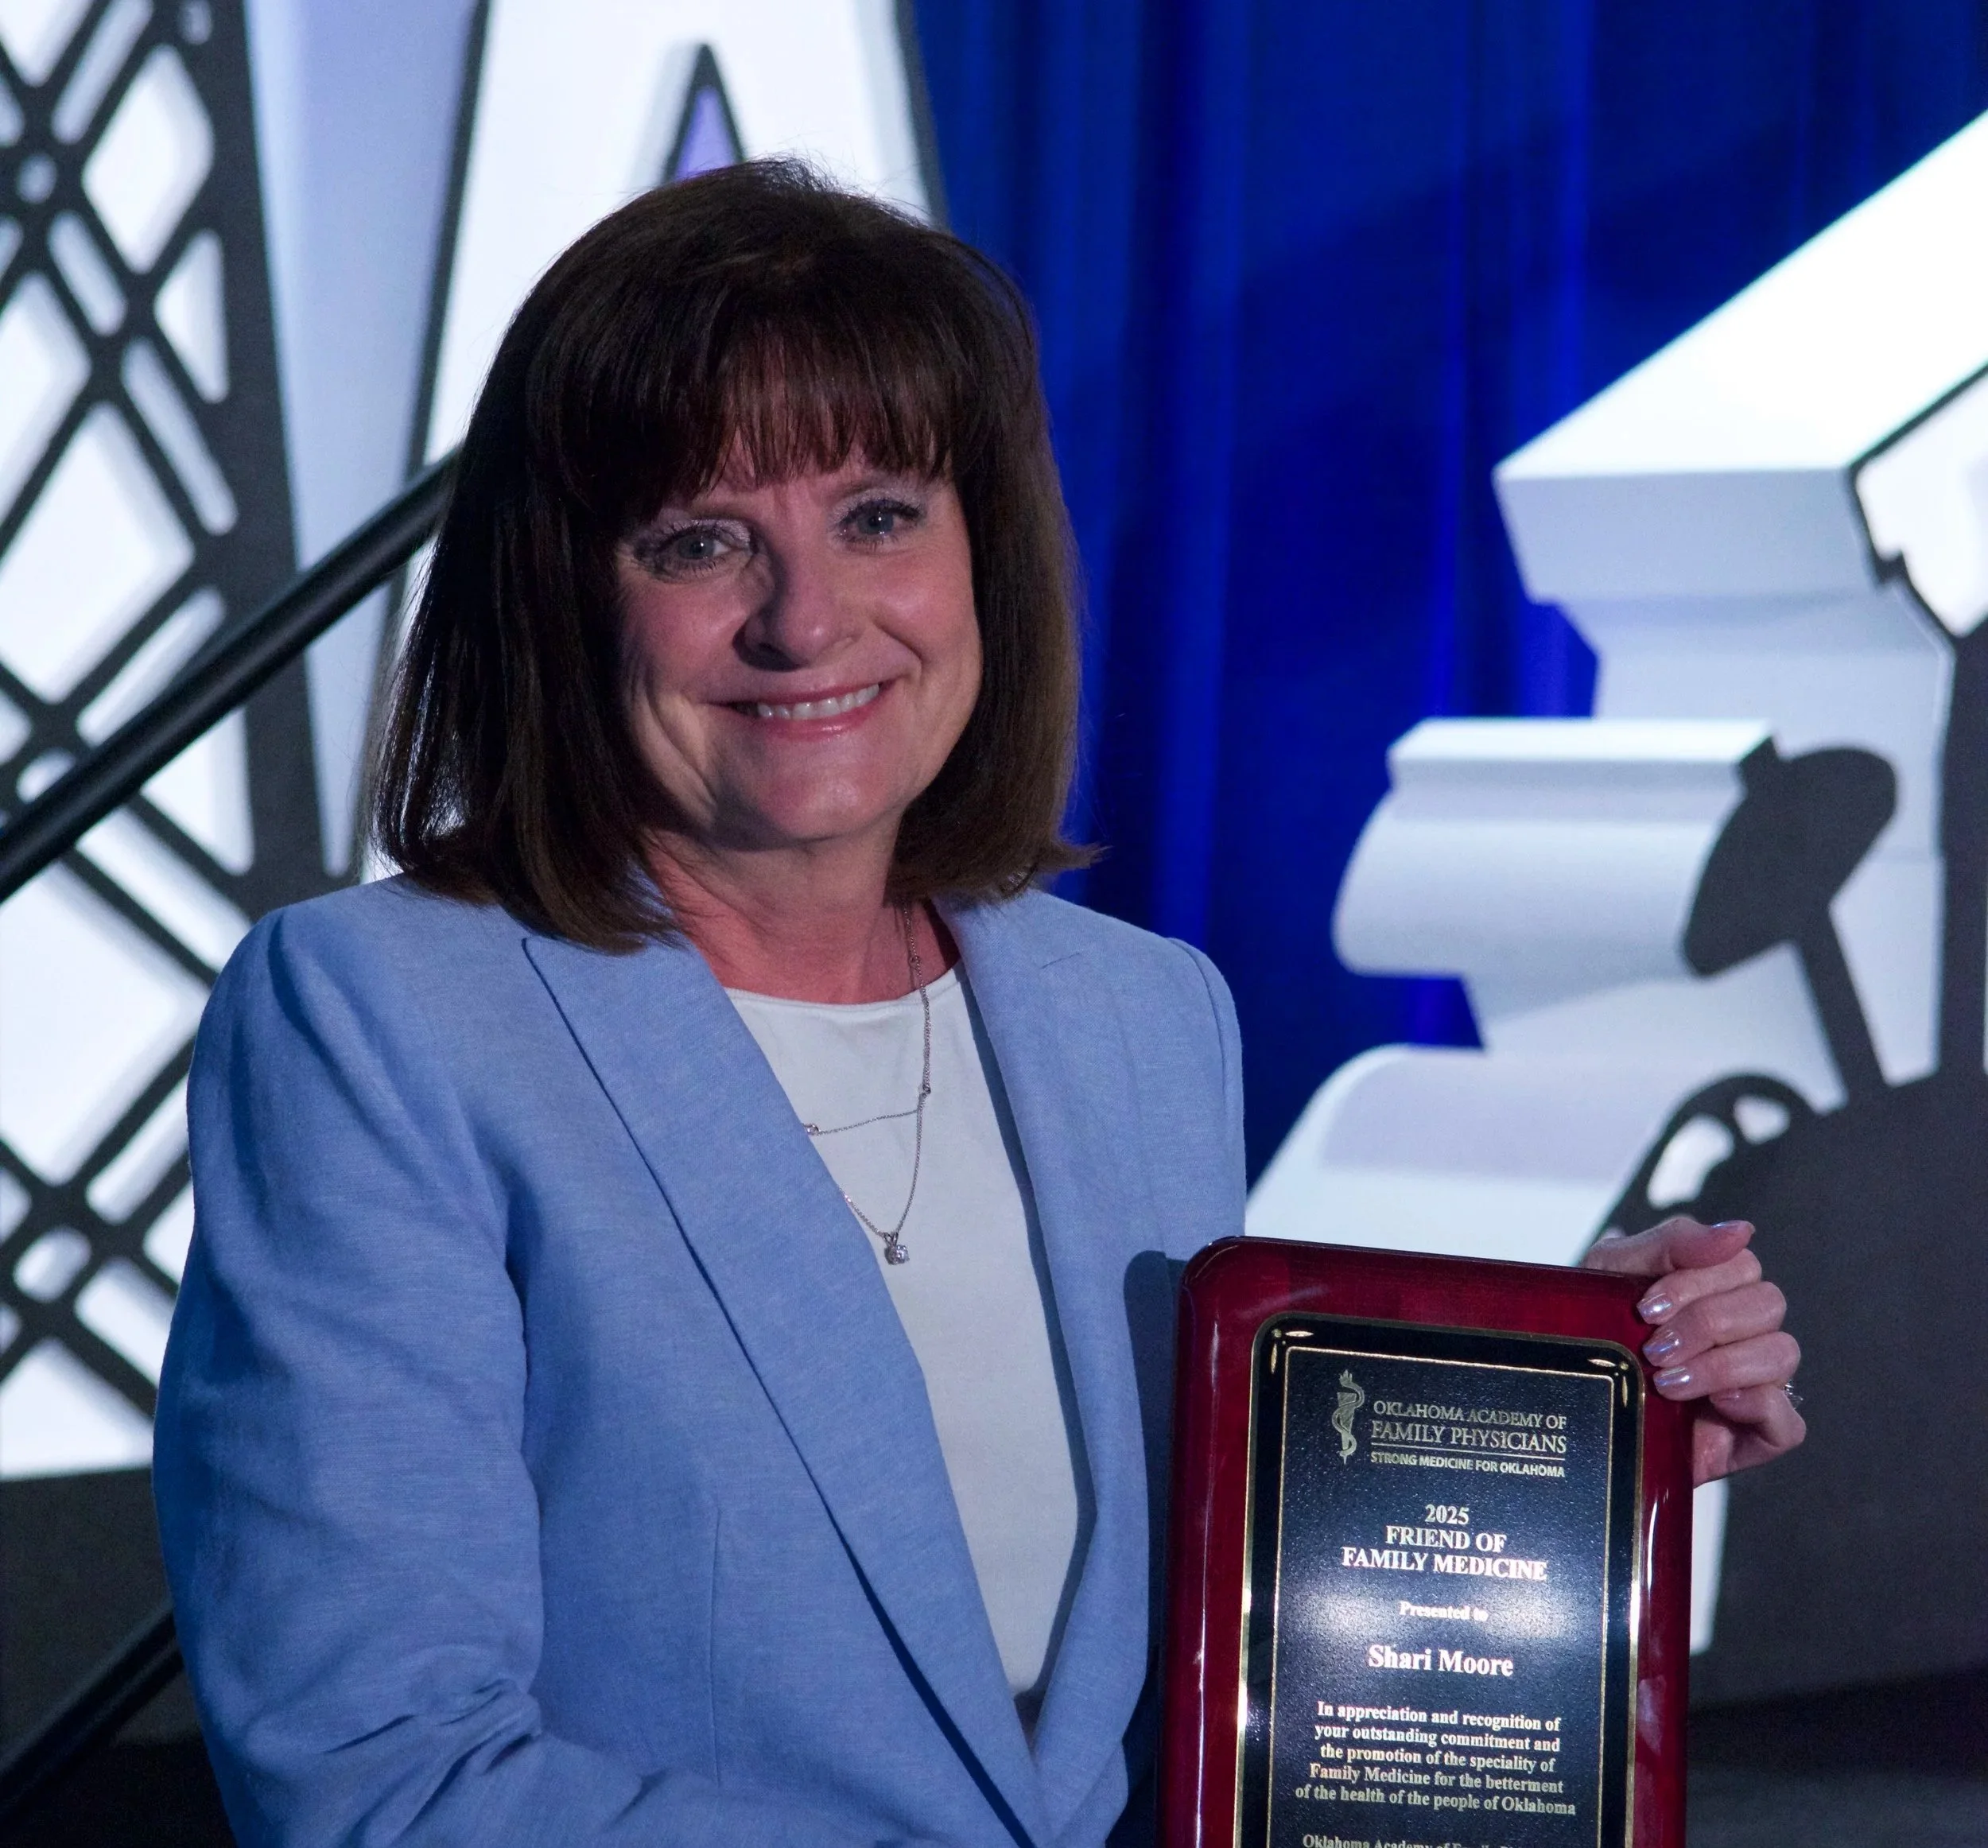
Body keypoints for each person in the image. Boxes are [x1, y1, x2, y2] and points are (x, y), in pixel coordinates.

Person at [153, 161, 1803, 1848]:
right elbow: (383, 1774)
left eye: (878, 516)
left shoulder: (1140, 1017)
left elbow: (1209, 1670)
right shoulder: (383, 1018)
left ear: (980, 557)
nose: (806, 620)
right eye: (700, 541)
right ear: (559, 594)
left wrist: (1559, 1436)